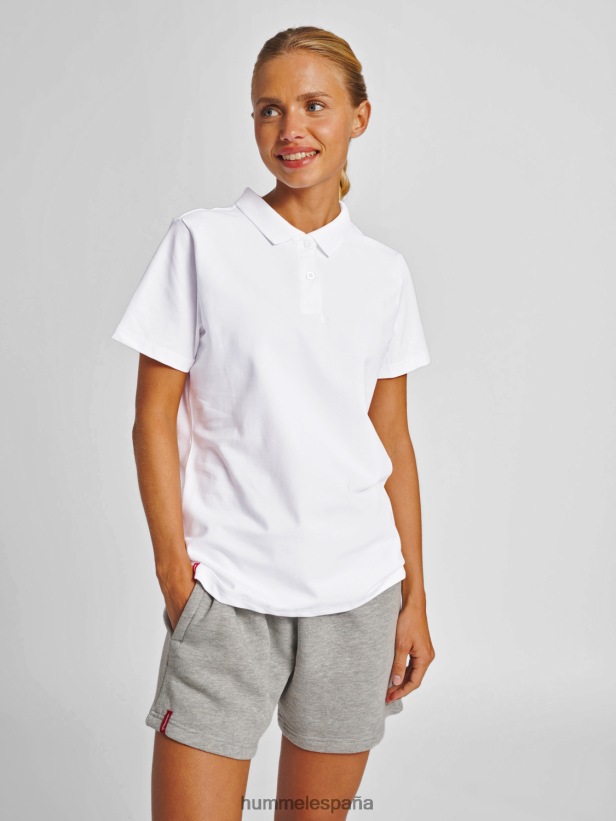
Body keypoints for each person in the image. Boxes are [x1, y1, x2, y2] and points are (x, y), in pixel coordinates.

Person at [112, 25, 435, 821]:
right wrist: (176, 579)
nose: (291, 129)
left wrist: (415, 599)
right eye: (269, 109)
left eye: (314, 105)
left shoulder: (383, 273)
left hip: (359, 600)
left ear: (359, 116)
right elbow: (152, 417)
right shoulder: (202, 242)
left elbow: (392, 440)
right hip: (226, 595)